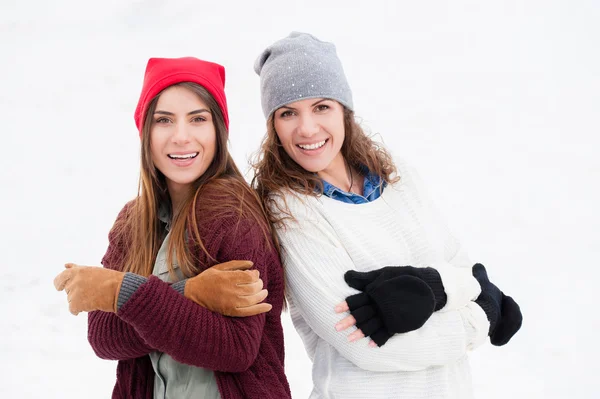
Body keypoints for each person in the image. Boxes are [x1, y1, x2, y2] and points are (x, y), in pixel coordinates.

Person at [251, 32, 522, 398]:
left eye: (321, 107)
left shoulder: (398, 177)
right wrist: (482, 316)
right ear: (273, 126)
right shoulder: (290, 211)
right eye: (288, 113)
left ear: (343, 109)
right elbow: (366, 345)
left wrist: (433, 288)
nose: (307, 128)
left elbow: (464, 268)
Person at [53, 57, 291, 399]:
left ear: (218, 132)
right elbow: (104, 337)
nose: (182, 137)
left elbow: (235, 348)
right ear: (145, 132)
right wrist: (187, 293)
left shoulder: (234, 215)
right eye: (164, 120)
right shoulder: (131, 222)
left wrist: (123, 293)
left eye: (198, 119)